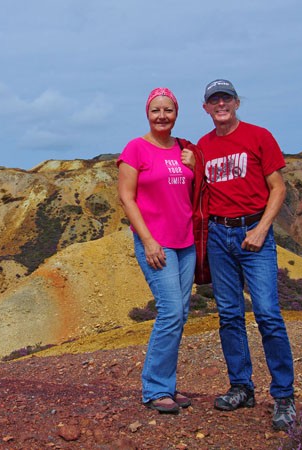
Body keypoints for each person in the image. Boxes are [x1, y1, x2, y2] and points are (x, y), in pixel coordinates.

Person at [196, 79, 296, 431]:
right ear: (206, 108)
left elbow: (278, 188)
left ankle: (284, 395)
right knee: (229, 315)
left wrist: (261, 229)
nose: (220, 104)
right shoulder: (202, 147)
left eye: (226, 98)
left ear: (237, 102)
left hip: (254, 232)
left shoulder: (259, 136)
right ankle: (241, 387)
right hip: (219, 236)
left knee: (268, 314)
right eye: (214, 100)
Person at [117, 87, 197, 414]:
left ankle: (167, 383)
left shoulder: (185, 150)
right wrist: (148, 240)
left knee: (181, 315)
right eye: (156, 110)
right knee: (171, 311)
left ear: (176, 113)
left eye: (168, 110)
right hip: (156, 242)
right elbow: (127, 197)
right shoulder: (136, 149)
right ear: (147, 114)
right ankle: (154, 388)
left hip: (186, 242)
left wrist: (197, 164)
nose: (162, 116)